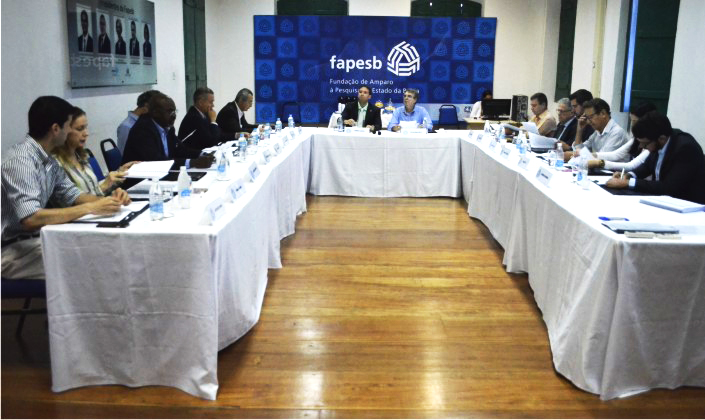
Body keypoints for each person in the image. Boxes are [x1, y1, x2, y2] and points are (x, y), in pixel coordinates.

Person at [1, 96, 130, 279]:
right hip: (11, 251)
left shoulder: (48, 160)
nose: (70, 131)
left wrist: (109, 200)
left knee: (100, 249)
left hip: (34, 241)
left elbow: (72, 194)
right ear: (56, 129)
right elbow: (31, 218)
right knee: (92, 260)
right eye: (69, 125)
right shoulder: (21, 161)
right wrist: (91, 207)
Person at [605, 111, 705, 204]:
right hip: (664, 200)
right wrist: (628, 175)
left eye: (645, 144)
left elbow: (669, 187)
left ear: (661, 138)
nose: (642, 147)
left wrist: (628, 183)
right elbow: (647, 166)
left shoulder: (685, 148)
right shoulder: (658, 142)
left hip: (688, 205)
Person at [55, 107, 137, 196]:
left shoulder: (80, 156)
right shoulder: (56, 165)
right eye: (80, 129)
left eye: (85, 128)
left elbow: (94, 188)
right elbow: (74, 202)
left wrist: (119, 173)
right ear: (64, 130)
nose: (86, 133)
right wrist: (104, 186)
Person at [122, 92, 214, 169]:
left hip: (160, 175)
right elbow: (155, 161)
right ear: (155, 113)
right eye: (169, 111)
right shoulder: (143, 129)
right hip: (139, 180)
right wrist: (192, 163)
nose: (174, 115)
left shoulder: (168, 128)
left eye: (174, 111)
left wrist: (203, 154)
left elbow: (180, 149)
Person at [583, 102, 657, 171]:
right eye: (631, 121)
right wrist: (591, 155)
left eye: (635, 122)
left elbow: (631, 166)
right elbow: (616, 154)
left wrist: (599, 163)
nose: (632, 126)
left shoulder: (652, 143)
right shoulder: (635, 139)